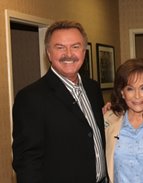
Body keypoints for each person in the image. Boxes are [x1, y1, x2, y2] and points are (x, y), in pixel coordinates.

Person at [12, 20, 107, 183]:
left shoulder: (93, 88)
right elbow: (27, 163)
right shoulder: (31, 98)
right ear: (48, 53)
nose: (68, 54)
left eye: (75, 47)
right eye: (60, 47)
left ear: (84, 52)